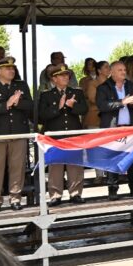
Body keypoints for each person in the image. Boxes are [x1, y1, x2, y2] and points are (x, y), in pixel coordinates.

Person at [0, 57, 33, 212]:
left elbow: (30, 105)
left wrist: (17, 102)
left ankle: (15, 198)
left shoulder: (21, 85)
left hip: (18, 131)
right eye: (7, 68)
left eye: (13, 68)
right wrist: (6, 104)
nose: (11, 70)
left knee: (17, 168)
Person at [38, 66, 89, 204]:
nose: (66, 77)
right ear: (54, 79)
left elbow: (84, 109)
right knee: (56, 166)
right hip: (55, 136)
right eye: (62, 75)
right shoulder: (46, 95)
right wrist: (58, 107)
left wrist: (72, 106)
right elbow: (42, 115)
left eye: (67, 75)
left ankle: (75, 193)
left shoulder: (76, 92)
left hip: (73, 134)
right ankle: (55, 195)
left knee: (75, 165)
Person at [96, 61, 133, 198]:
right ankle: (112, 190)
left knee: (132, 159)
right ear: (111, 72)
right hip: (114, 129)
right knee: (113, 159)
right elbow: (102, 106)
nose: (123, 72)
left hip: (131, 129)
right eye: (120, 70)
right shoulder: (103, 88)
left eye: (124, 69)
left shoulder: (132, 86)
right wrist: (122, 102)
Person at [81, 60, 108, 128]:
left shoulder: (112, 83)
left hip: (109, 117)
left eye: (109, 67)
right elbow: (92, 99)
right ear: (99, 71)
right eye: (106, 67)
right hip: (95, 117)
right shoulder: (92, 83)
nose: (109, 69)